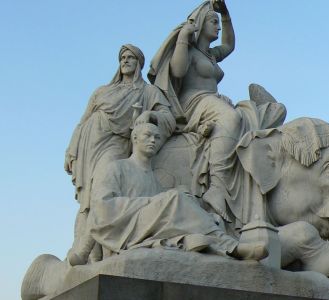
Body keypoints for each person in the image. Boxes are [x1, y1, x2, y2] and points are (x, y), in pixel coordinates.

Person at [69, 123, 268, 264]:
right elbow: (102, 208)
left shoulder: (155, 181)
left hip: (151, 228)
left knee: (187, 201)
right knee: (174, 198)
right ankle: (231, 246)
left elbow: (163, 211)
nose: (153, 140)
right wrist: (151, 203)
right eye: (147, 135)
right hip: (126, 229)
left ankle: (214, 242)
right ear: (135, 138)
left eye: (157, 137)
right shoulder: (116, 168)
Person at [65, 44, 176, 264]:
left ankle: (101, 252)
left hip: (116, 144)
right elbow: (83, 121)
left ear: (138, 64)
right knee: (88, 199)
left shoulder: (147, 91)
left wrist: (147, 115)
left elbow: (168, 117)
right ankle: (87, 254)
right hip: (90, 143)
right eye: (122, 58)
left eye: (130, 58)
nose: (125, 61)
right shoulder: (102, 91)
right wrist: (71, 149)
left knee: (104, 192)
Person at [148, 0, 241, 223]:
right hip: (193, 102)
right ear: (200, 24)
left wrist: (226, 15)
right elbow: (177, 71)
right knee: (231, 117)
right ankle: (217, 187)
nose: (218, 27)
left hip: (211, 100)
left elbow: (229, 45)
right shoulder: (189, 51)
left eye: (219, 23)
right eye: (214, 22)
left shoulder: (210, 54)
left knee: (248, 118)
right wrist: (182, 38)